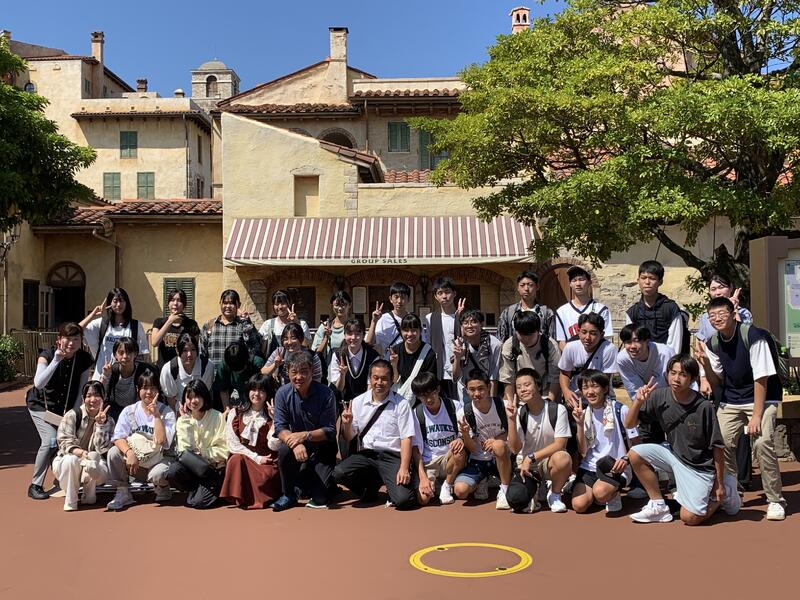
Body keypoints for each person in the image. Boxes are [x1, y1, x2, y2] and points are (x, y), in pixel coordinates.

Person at [696, 297, 786, 521]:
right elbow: (717, 382)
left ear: (733, 314)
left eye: (722, 314)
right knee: (721, 443)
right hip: (732, 399)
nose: (717, 319)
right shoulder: (713, 342)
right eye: (712, 316)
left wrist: (756, 415)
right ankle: (732, 491)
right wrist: (705, 364)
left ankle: (775, 499)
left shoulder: (753, 336)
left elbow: (761, 378)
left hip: (763, 398)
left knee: (762, 443)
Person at [623, 355, 737, 525]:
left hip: (699, 467)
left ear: (693, 379)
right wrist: (638, 402)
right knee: (635, 453)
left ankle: (725, 491)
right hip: (674, 455)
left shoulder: (704, 407)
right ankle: (658, 505)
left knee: (689, 518)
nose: (676, 379)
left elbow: (717, 447)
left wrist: (719, 484)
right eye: (673, 373)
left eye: (683, 374)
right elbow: (629, 424)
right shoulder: (658, 396)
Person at [334, 360, 429, 509]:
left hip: (393, 457)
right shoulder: (358, 402)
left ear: (392, 381)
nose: (379, 382)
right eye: (375, 378)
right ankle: (369, 489)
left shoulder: (401, 404)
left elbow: (406, 438)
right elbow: (348, 437)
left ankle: (399, 484)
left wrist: (404, 468)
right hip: (368, 455)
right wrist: (347, 424)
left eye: (384, 379)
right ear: (370, 379)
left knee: (404, 501)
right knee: (339, 473)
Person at [26, 322, 94, 500]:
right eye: (67, 338)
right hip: (40, 407)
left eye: (76, 339)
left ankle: (63, 479)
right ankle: (35, 485)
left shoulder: (84, 359)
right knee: (50, 441)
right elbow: (38, 383)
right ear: (59, 340)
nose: (71, 343)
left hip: (64, 410)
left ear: (81, 341)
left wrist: (75, 415)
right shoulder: (47, 355)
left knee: (68, 441)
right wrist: (56, 360)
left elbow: (81, 390)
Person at [272, 351, 338, 510]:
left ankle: (324, 480)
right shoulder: (282, 393)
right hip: (297, 446)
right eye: (294, 372)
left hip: (322, 445)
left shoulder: (326, 393)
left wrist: (305, 436)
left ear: (312, 371)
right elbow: (280, 427)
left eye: (303, 372)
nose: (298, 377)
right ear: (287, 372)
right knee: (284, 450)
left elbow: (330, 430)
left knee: (320, 497)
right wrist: (295, 444)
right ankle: (287, 494)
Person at [106, 370, 177, 511]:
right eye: (145, 388)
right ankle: (123, 491)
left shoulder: (167, 412)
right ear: (138, 390)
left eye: (153, 388)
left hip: (158, 461)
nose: (149, 392)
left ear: (158, 391)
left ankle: (162, 487)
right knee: (113, 453)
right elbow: (118, 438)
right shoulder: (129, 411)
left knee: (157, 475)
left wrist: (157, 416)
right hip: (136, 464)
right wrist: (129, 453)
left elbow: (161, 440)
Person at [571, 370, 640, 514]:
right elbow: (583, 450)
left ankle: (611, 494)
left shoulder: (621, 410)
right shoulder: (584, 414)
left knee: (600, 493)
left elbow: (637, 443)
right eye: (585, 388)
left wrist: (626, 459)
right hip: (590, 467)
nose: (590, 392)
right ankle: (600, 495)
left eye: (595, 386)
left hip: (616, 467)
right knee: (579, 505)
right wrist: (579, 424)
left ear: (605, 388)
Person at [505, 368, 572, 513]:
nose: (523, 390)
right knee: (516, 499)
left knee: (563, 458)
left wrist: (531, 457)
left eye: (527, 385)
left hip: (549, 462)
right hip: (528, 467)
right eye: (519, 387)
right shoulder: (519, 413)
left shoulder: (557, 409)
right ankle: (537, 487)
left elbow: (560, 444)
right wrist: (511, 420)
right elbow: (515, 449)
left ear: (539, 386)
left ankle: (555, 494)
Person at [452, 370, 513, 509]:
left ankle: (504, 489)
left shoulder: (503, 406)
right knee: (460, 491)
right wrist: (465, 435)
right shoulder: (464, 413)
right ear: (466, 390)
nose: (477, 394)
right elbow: (473, 449)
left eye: (481, 389)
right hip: (479, 460)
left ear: (489, 387)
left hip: (504, 457)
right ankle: (483, 479)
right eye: (472, 389)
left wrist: (496, 440)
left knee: (498, 446)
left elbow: (515, 433)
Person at [220, 374, 281, 509]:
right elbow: (233, 444)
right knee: (235, 459)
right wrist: (256, 458)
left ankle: (258, 498)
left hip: (266, 459)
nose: (256, 394)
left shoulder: (272, 415)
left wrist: (275, 420)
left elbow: (273, 446)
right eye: (253, 389)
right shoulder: (235, 413)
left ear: (268, 393)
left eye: (262, 390)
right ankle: (238, 496)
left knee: (267, 476)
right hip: (245, 456)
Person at [166, 380, 228, 509]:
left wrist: (202, 453)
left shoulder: (217, 417)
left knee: (198, 503)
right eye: (189, 397)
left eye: (197, 396)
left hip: (212, 469)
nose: (193, 401)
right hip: (193, 470)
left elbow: (224, 449)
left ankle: (209, 492)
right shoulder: (183, 420)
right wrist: (186, 422)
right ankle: (195, 490)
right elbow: (184, 451)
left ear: (205, 397)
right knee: (173, 471)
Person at [52, 381, 114, 511]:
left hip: (94, 464)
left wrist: (100, 425)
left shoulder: (109, 421)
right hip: (68, 463)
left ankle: (89, 493)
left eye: (97, 395)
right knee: (71, 459)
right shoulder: (72, 415)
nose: (93, 399)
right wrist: (81, 453)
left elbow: (102, 448)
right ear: (83, 398)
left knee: (94, 458)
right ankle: (71, 500)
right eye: (88, 396)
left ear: (103, 397)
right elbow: (64, 442)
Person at [409, 372, 466, 505]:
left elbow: (466, 432)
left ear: (438, 389)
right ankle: (438, 485)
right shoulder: (417, 413)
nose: (428, 399)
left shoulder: (454, 406)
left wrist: (461, 439)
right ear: (417, 397)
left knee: (459, 452)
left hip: (449, 458)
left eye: (431, 393)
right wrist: (423, 478)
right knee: (423, 499)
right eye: (423, 396)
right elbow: (416, 449)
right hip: (430, 462)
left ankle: (446, 485)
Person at [695, 274, 752, 396]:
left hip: (740, 370)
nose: (718, 292)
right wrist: (703, 378)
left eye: (721, 287)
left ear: (731, 288)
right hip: (714, 373)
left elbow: (742, 336)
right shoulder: (705, 317)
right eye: (713, 289)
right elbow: (701, 348)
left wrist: (734, 309)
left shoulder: (744, 313)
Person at [616, 325, 674, 444]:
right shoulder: (623, 359)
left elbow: (676, 381)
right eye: (628, 342)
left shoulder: (665, 353)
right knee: (649, 444)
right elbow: (634, 391)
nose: (632, 346)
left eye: (636, 341)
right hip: (647, 404)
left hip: (670, 401)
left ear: (647, 341)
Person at [81, 287, 150, 379]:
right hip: (101, 376)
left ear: (127, 303)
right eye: (115, 301)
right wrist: (93, 314)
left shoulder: (136, 326)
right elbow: (75, 331)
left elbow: (143, 354)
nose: (118, 304)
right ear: (110, 303)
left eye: (122, 300)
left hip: (126, 379)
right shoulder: (101, 324)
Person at [558, 312, 618, 409]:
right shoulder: (570, 347)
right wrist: (566, 392)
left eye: (593, 333)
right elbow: (564, 373)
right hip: (576, 399)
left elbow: (604, 380)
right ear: (578, 331)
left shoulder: (609, 349)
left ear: (602, 334)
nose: (587, 337)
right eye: (584, 332)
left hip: (600, 398)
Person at [499, 311, 561, 403]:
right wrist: (511, 403)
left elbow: (555, 378)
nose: (526, 339)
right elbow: (507, 378)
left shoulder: (550, 345)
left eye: (530, 335)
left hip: (544, 395)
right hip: (520, 397)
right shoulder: (510, 346)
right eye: (521, 335)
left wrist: (549, 403)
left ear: (538, 331)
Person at [625, 260, 685, 355]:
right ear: (638, 280)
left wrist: (671, 361)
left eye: (652, 278)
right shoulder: (633, 312)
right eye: (643, 278)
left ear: (660, 282)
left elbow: (675, 344)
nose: (647, 282)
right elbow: (630, 341)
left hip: (665, 359)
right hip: (640, 359)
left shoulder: (670, 308)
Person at [422, 277, 464, 398]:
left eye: (447, 292)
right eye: (440, 293)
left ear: (454, 293)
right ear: (435, 296)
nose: (444, 296)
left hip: (459, 370)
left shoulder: (463, 317)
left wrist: (460, 318)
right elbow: (428, 343)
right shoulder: (430, 318)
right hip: (438, 370)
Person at [100, 337, 158, 421]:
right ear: (115, 355)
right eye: (121, 353)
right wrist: (104, 375)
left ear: (135, 354)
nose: (125, 356)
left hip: (138, 410)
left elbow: (152, 393)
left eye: (129, 352)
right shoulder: (111, 370)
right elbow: (99, 393)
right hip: (114, 411)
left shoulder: (143, 371)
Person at [554, 266, 613, 349]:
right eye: (574, 280)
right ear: (570, 284)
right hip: (572, 356)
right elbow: (561, 342)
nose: (578, 284)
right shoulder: (561, 312)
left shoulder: (601, 310)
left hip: (596, 355)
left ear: (589, 282)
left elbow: (605, 339)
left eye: (581, 279)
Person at [451, 309, 503, 404]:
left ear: (481, 324)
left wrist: (492, 403)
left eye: (474, 322)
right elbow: (455, 377)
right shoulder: (458, 343)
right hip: (466, 392)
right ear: (461, 326)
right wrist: (457, 358)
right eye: (465, 323)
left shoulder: (494, 344)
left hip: (485, 391)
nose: (469, 326)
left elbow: (493, 376)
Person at [200, 289, 262, 367]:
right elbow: (202, 352)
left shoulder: (243, 325)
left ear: (238, 305)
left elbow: (256, 346)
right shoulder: (209, 326)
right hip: (213, 373)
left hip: (237, 372)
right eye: (225, 303)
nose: (228, 306)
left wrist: (247, 322)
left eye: (232, 303)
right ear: (220, 303)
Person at [329, 319, 381, 403]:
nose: (353, 337)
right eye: (349, 333)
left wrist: (363, 405)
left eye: (358, 334)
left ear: (363, 335)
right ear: (344, 335)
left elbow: (371, 385)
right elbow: (338, 388)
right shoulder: (338, 355)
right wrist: (342, 374)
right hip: (343, 402)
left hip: (365, 401)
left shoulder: (372, 356)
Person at [160, 333, 215, 412]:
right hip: (179, 410)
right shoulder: (168, 370)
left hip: (201, 409)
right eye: (185, 350)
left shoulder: (207, 366)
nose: (189, 354)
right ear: (177, 351)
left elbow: (206, 393)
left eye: (193, 349)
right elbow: (170, 398)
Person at [389, 313, 437, 404]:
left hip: (421, 401)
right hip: (399, 400)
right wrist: (394, 365)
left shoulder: (429, 353)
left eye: (414, 330)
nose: (410, 334)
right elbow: (394, 381)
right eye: (406, 330)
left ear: (420, 330)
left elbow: (430, 382)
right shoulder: (396, 351)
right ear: (401, 331)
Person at [497, 270, 556, 342]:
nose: (526, 289)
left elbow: (552, 339)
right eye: (522, 285)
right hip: (515, 348)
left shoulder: (546, 313)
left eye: (530, 285)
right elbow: (501, 339)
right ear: (518, 288)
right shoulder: (509, 313)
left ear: (537, 287)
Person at [150, 288, 201, 366]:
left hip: (184, 367)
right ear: (168, 303)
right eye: (172, 300)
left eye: (179, 300)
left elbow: (195, 348)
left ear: (184, 304)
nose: (175, 303)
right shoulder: (159, 322)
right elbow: (154, 343)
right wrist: (170, 321)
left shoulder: (191, 324)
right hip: (164, 367)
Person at [214, 340, 266, 411]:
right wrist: (227, 409)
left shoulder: (257, 364)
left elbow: (263, 390)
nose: (238, 372)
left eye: (241, 369)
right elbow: (223, 390)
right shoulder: (223, 367)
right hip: (235, 398)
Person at [259, 289, 311, 357]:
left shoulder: (302, 324)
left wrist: (297, 323)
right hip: (274, 363)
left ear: (289, 304)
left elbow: (306, 347)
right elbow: (258, 344)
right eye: (276, 304)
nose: (280, 307)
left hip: (297, 362)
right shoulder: (268, 324)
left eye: (283, 303)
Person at [365, 282, 411, 358]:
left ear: (408, 299)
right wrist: (374, 321)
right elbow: (369, 343)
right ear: (390, 299)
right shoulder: (383, 319)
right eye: (396, 297)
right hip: (388, 361)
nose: (399, 301)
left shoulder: (412, 319)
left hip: (409, 360)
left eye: (403, 297)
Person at [311, 289, 352, 370]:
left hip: (349, 370)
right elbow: (316, 353)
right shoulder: (324, 326)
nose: (340, 308)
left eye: (343, 305)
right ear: (332, 305)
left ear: (349, 305)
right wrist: (326, 337)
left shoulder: (353, 326)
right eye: (337, 305)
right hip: (329, 372)